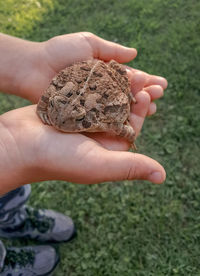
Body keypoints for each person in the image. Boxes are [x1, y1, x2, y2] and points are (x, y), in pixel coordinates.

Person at [0, 32, 167, 275]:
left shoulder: (102, 117)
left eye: (76, 119)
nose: (59, 121)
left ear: (88, 117)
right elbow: (57, 90)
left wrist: (129, 135)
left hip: (97, 88)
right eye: (54, 107)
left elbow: (124, 129)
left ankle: (9, 215)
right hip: (76, 87)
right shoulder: (59, 98)